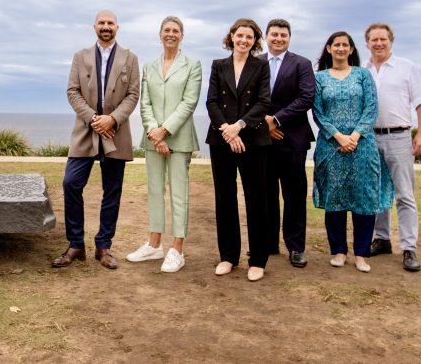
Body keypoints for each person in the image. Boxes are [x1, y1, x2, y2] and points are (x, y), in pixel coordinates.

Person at [54, 10, 140, 270]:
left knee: (112, 191)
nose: (106, 26)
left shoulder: (131, 58)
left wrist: (112, 119)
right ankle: (76, 244)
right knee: (71, 183)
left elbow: (133, 94)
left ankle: (104, 246)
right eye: (101, 23)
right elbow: (72, 91)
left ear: (117, 27)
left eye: (110, 23)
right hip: (86, 130)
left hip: (116, 132)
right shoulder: (80, 57)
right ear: (94, 27)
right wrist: (94, 119)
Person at [312, 31, 393, 273]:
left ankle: (361, 254)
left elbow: (371, 108)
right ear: (329, 48)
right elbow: (317, 111)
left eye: (345, 45)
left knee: (363, 198)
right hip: (331, 145)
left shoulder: (362, 74)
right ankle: (338, 251)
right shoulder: (320, 78)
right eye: (336, 44)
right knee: (334, 198)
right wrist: (338, 136)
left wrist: (355, 136)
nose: (340, 48)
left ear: (351, 49)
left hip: (362, 145)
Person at [126, 16, 202, 273]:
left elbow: (189, 102)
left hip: (178, 139)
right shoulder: (148, 66)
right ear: (160, 34)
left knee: (179, 194)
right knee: (155, 191)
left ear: (182, 35)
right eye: (167, 30)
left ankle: (177, 249)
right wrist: (153, 132)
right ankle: (154, 244)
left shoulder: (193, 65)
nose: (171, 34)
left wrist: (165, 131)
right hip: (152, 140)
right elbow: (144, 102)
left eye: (176, 31)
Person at [206, 18, 272, 282]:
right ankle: (228, 257)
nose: (244, 40)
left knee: (257, 199)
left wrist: (239, 127)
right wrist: (227, 130)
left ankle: (257, 260)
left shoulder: (261, 65)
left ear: (255, 41)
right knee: (225, 199)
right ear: (231, 36)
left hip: (253, 140)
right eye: (240, 35)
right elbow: (211, 102)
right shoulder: (218, 65)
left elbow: (263, 101)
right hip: (222, 139)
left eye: (250, 37)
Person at [364, 23, 421, 272]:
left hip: (399, 135)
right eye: (374, 39)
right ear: (367, 43)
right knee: (377, 192)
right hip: (370, 138)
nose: (379, 43)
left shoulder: (406, 67)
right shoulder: (364, 70)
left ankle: (409, 247)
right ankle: (381, 239)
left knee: (404, 194)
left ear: (390, 41)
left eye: (383, 39)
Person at [262, 19, 316, 268]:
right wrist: (265, 125)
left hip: (293, 139)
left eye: (283, 35)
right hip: (262, 140)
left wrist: (277, 120)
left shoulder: (302, 64)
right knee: (266, 194)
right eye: (274, 34)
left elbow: (306, 97)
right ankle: (269, 242)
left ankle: (296, 247)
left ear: (289, 38)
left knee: (294, 195)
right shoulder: (256, 63)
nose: (278, 39)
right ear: (266, 36)